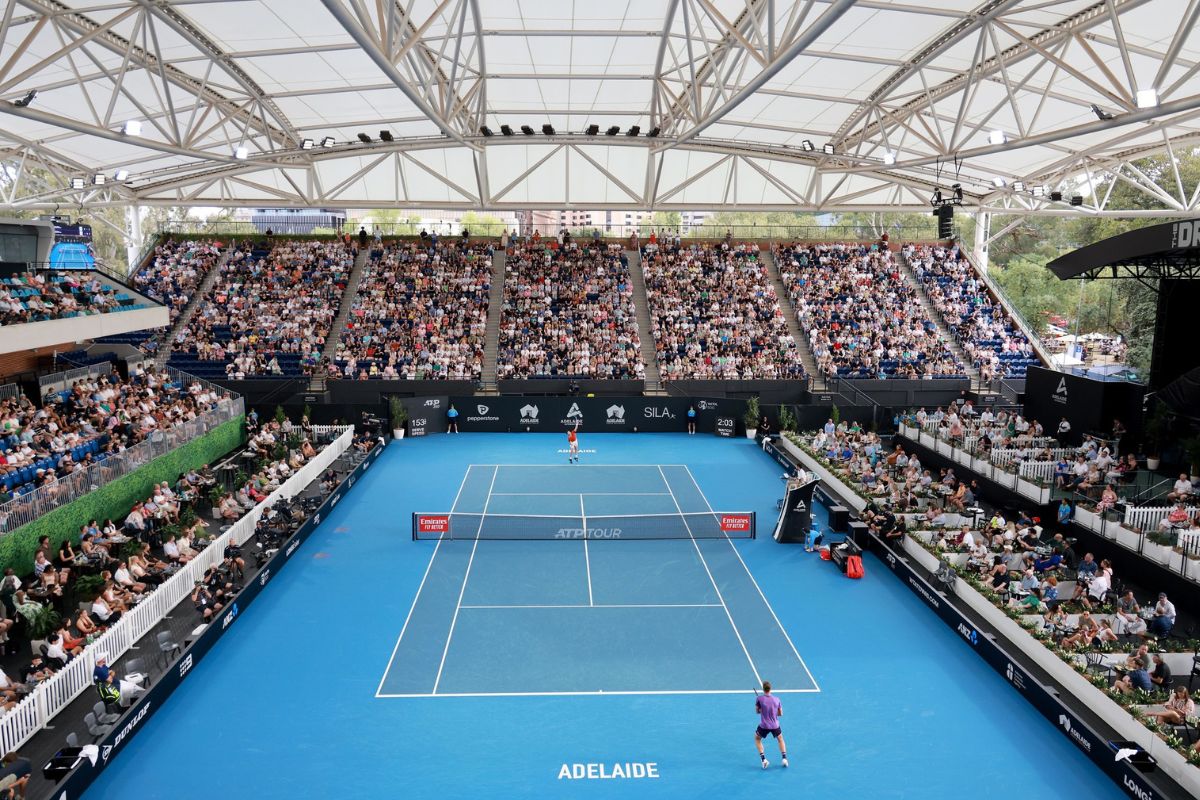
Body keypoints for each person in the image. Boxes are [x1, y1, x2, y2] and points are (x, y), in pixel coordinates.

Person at [754, 681, 787, 769]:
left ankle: (763, 760)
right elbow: (780, 714)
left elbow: (757, 711)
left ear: (763, 689)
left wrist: (763, 710)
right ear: (770, 689)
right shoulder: (777, 699)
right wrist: (772, 712)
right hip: (775, 725)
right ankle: (784, 759)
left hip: (764, 726)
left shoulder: (759, 699)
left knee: (757, 739)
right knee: (780, 739)